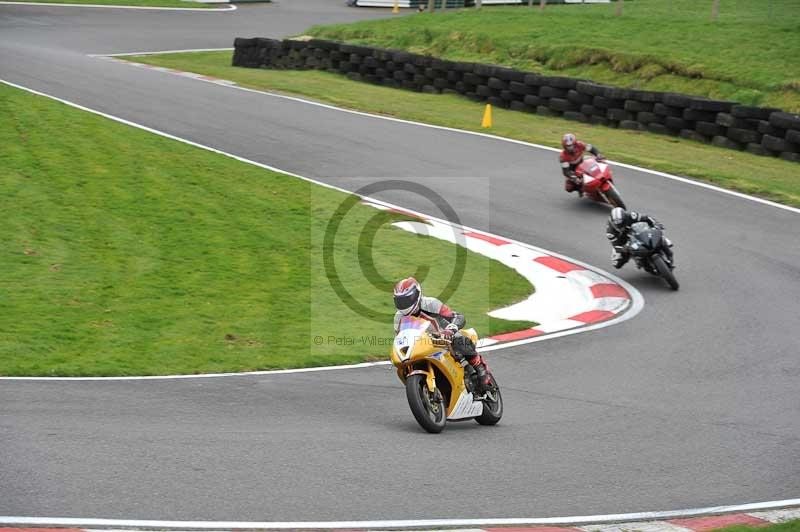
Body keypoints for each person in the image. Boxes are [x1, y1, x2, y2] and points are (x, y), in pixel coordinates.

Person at [393, 277, 492, 392]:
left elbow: (457, 317)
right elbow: (401, 337)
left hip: (445, 340)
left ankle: (480, 367)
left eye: (405, 300)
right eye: (399, 301)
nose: (403, 305)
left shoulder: (431, 304)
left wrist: (450, 330)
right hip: (423, 346)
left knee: (459, 340)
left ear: (416, 296)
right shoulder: (398, 318)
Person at [606, 207, 673, 269]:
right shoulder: (610, 232)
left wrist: (656, 225)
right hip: (623, 241)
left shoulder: (631, 216)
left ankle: (666, 247)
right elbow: (616, 246)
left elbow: (647, 218)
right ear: (612, 223)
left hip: (637, 232)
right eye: (617, 225)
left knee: (657, 233)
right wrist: (624, 249)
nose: (621, 227)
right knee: (617, 264)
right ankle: (638, 260)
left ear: (625, 217)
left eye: (622, 224)